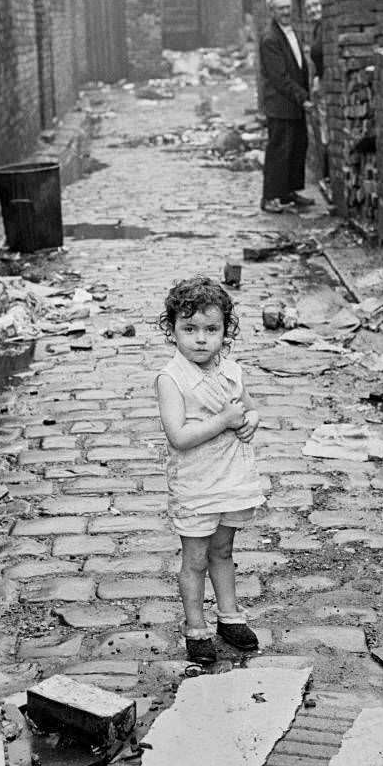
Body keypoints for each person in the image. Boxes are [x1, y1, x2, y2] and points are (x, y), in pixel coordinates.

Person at [156, 276, 265, 665]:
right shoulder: (172, 379)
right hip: (197, 484)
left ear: (225, 331)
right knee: (196, 558)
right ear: (172, 331)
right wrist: (224, 419)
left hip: (232, 480)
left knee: (223, 550)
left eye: (211, 329)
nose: (200, 339)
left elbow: (248, 406)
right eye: (189, 329)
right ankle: (196, 626)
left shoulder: (231, 371)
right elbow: (179, 437)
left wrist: (251, 418)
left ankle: (230, 617)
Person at [258, 0, 315, 214]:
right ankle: (270, 197)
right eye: (280, 9)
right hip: (281, 104)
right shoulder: (270, 39)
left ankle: (288, 191)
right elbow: (279, 78)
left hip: (293, 103)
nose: (285, 12)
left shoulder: (290, 31)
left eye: (288, 8)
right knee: (279, 151)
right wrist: (303, 98)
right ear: (272, 11)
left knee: (296, 147)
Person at [302, 0, 329, 180]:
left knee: (326, 130)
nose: (312, 10)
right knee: (323, 130)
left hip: (329, 87)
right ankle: (326, 173)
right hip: (323, 85)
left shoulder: (326, 28)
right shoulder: (317, 29)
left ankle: (327, 174)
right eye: (308, 7)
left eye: (316, 5)